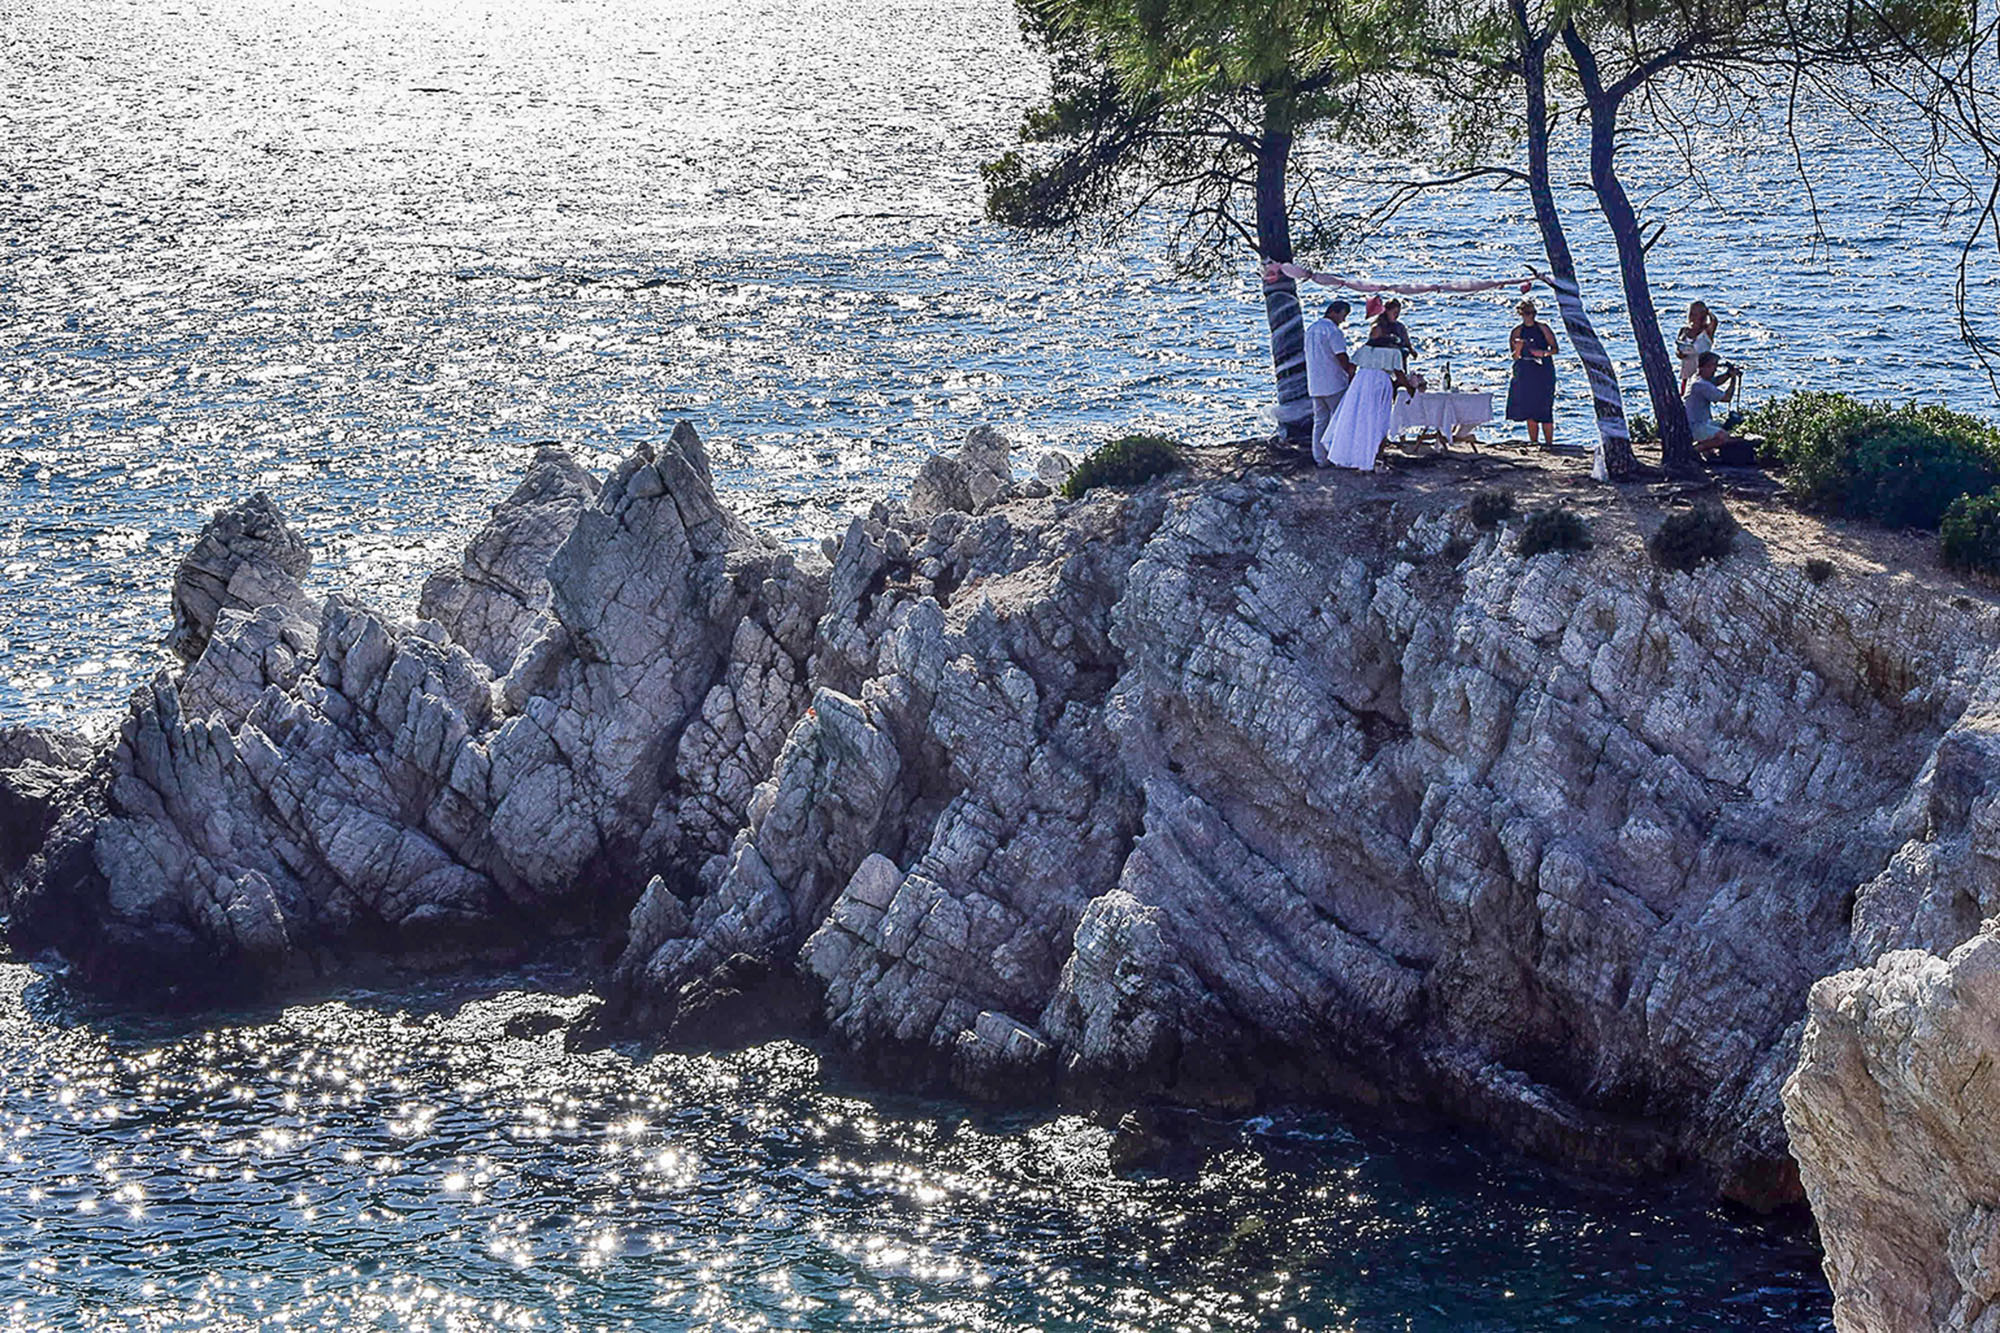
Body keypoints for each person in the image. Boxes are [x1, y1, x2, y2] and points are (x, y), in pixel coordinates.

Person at [1321, 313, 1413, 471]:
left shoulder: (1365, 349)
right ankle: (1375, 455)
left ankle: (1357, 454)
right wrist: (1411, 390)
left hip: (1361, 382)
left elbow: (1351, 368)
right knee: (1378, 420)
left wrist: (1352, 384)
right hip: (1379, 382)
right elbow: (1399, 375)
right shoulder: (1393, 352)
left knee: (1359, 418)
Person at [1305, 299, 1355, 466]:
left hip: (1315, 382)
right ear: (1334, 312)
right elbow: (1341, 356)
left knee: (1320, 422)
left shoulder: (1311, 329)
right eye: (1343, 315)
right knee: (1338, 421)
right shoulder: (1333, 331)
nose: (1344, 320)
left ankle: (1320, 458)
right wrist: (1350, 372)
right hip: (1333, 382)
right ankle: (1337, 456)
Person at [1505, 298, 1559, 448]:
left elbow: (1555, 349)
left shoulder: (1543, 328)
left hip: (1543, 371)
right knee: (1529, 408)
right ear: (1521, 314)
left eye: (1532, 313)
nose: (1529, 316)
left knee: (1545, 407)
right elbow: (1515, 357)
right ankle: (1534, 442)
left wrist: (1543, 353)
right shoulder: (1517, 331)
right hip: (1526, 372)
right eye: (1526, 313)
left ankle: (1549, 443)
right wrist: (1518, 347)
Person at [1684, 351, 1745, 456]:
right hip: (1695, 426)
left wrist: (1728, 374)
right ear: (1703, 367)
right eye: (1712, 366)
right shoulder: (1700, 385)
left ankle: (1705, 449)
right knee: (1723, 436)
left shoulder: (1696, 378)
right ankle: (1693, 451)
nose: (1715, 369)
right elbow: (1727, 398)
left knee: (1724, 426)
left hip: (1698, 422)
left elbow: (1716, 381)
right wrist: (1733, 379)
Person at [1677, 301, 1721, 393]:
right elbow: (1678, 349)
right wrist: (1680, 354)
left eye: (1698, 314)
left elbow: (1714, 321)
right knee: (1685, 396)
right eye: (1692, 313)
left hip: (1702, 373)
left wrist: (1708, 312)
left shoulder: (1706, 331)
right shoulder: (1684, 331)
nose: (1694, 317)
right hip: (1687, 371)